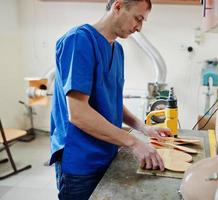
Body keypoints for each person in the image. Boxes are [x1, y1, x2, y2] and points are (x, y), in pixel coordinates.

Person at [49, 0, 171, 199]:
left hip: (107, 152)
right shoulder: (79, 40)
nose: (139, 27)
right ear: (118, 6)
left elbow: (111, 102)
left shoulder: (118, 50)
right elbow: (78, 114)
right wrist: (134, 143)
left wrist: (143, 127)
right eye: (138, 18)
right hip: (81, 160)